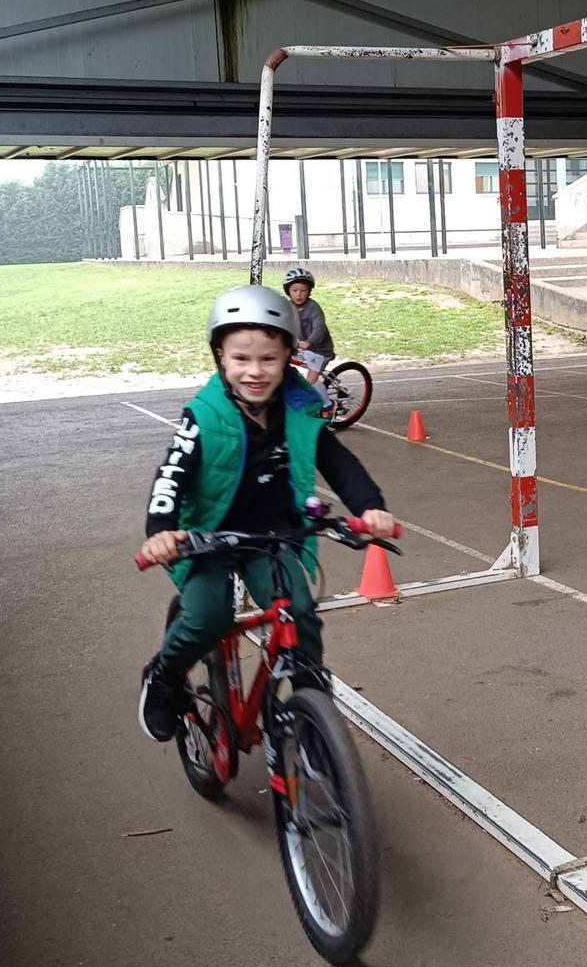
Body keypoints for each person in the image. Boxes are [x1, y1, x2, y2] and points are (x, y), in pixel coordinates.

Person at [135, 285, 397, 742]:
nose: (254, 372)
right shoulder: (204, 415)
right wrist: (162, 530)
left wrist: (370, 508)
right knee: (207, 617)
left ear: (288, 357)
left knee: (299, 610)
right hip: (208, 537)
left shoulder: (300, 407)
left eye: (268, 360)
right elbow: (171, 475)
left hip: (274, 535)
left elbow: (337, 462)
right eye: (241, 359)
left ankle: (313, 698)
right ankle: (163, 674)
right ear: (220, 357)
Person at [282, 267, 334, 372]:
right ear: (288, 291)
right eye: (294, 290)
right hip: (300, 348)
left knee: (312, 376)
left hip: (319, 350)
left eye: (303, 290)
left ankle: (312, 387)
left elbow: (319, 328)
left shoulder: (313, 308)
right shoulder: (287, 307)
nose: (298, 294)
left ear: (309, 291)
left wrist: (309, 342)